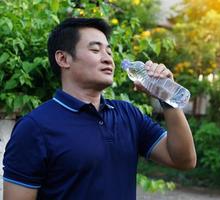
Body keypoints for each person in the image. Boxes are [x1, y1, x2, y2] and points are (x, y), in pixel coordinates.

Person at [3, 17, 196, 200]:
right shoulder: (34, 128)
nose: (108, 59)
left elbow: (183, 160)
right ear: (63, 59)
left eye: (109, 52)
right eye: (96, 50)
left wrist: (167, 98)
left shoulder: (128, 114)